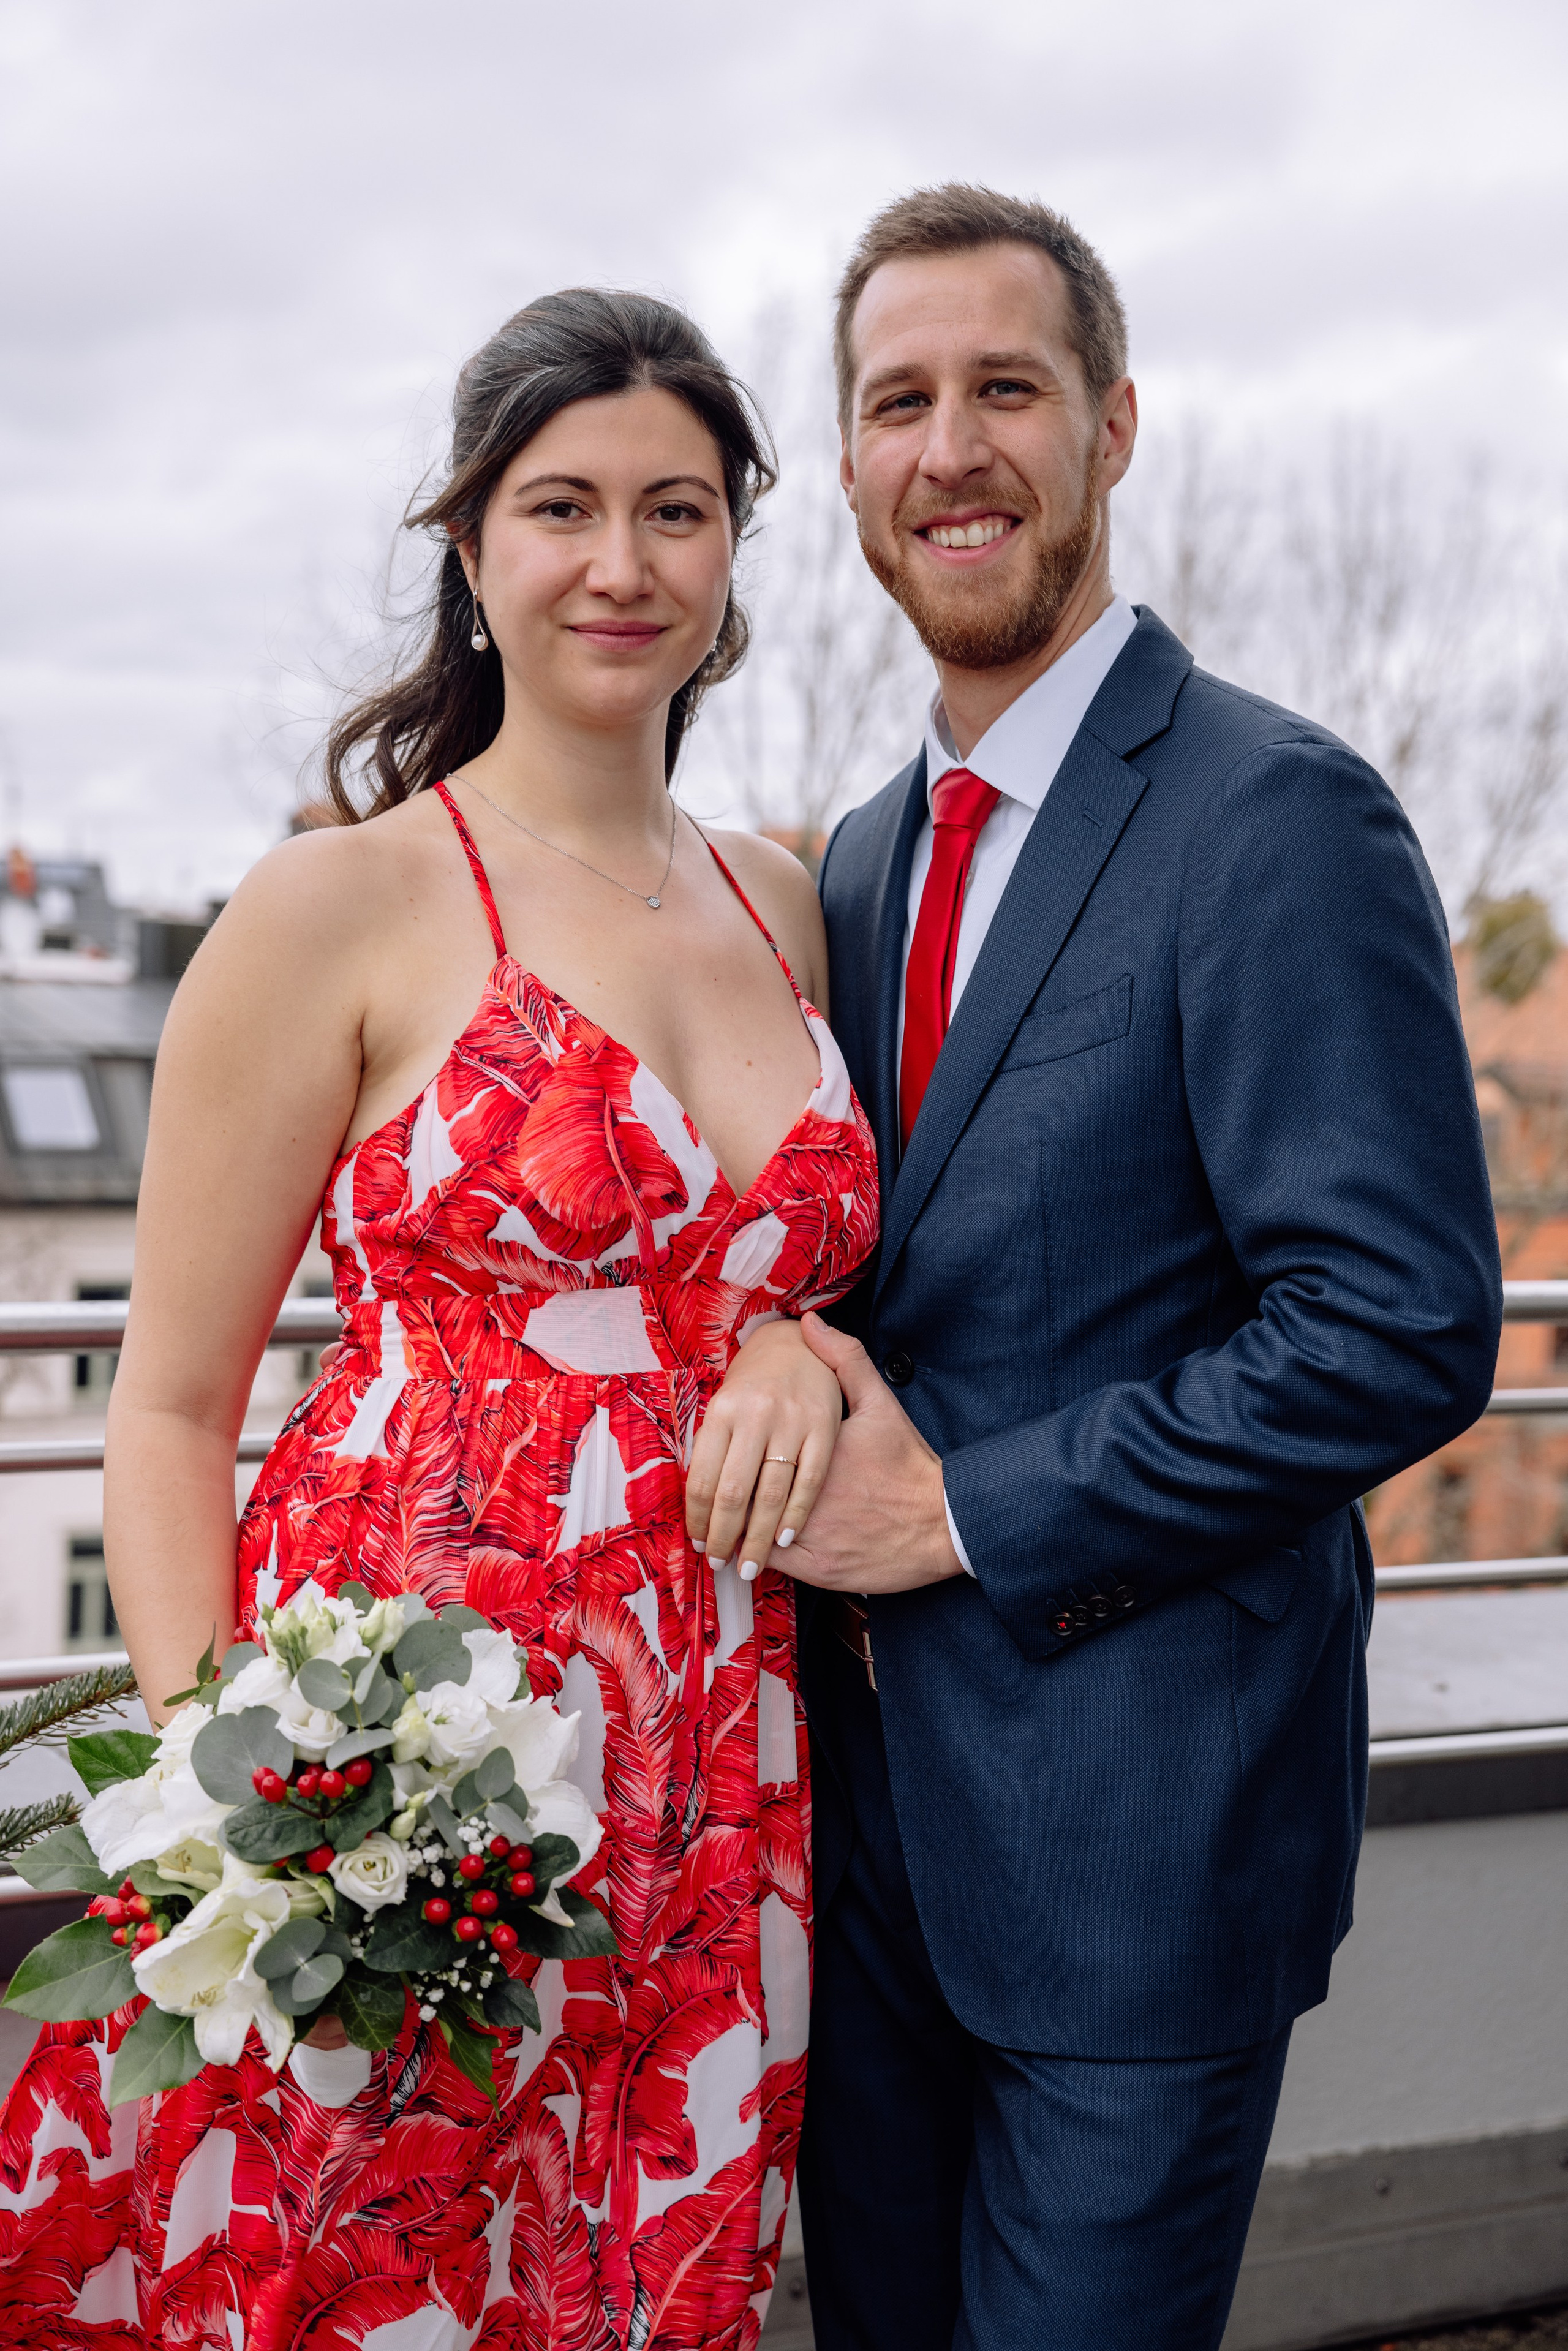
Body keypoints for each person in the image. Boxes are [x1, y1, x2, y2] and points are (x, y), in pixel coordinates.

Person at [0, 289, 878, 2348]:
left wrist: (808, 1341)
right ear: (472, 549)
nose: (621, 562)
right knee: (378, 2272)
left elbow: (812, 1275)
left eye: (678, 509)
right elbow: (170, 1409)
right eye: (560, 506)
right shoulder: (341, 903)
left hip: (726, 1734)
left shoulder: (791, 899)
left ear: (737, 546)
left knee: (649, 2267)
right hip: (415, 1756)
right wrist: (255, 1804)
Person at [768, 186, 1503, 2350]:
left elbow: (1396, 1329)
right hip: (862, 1838)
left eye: (1008, 386)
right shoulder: (868, 856)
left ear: (1114, 429)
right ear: (849, 473)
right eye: (900, 401)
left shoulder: (1279, 815)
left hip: (1136, 1850)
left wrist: (962, 1510)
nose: (951, 447)